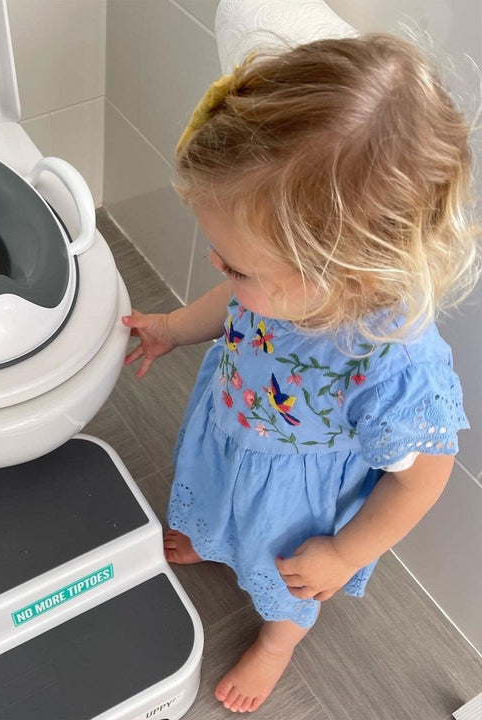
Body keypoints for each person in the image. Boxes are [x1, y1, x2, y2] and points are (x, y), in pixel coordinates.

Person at [122, 34, 479, 714]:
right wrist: (172, 327)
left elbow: (423, 479)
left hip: (293, 501)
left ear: (346, 275)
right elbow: (234, 303)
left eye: (236, 265)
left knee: (286, 580)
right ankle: (212, 537)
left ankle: (277, 643)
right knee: (215, 500)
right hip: (233, 433)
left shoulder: (393, 361)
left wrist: (343, 554)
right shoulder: (284, 282)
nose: (218, 267)